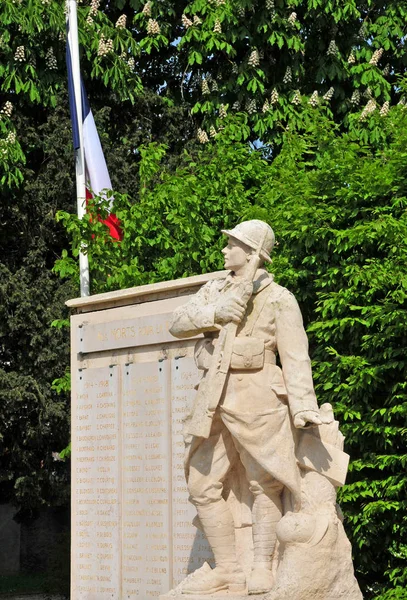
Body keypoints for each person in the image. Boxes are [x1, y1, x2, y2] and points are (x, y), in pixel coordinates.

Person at [169, 220, 321, 595]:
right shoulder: (215, 289)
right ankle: (228, 569)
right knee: (201, 483)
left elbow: (296, 357)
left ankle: (261, 566)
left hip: (258, 397)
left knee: (263, 482)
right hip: (215, 396)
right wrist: (216, 313)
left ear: (252, 254)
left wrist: (303, 406)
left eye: (232, 245)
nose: (224, 250)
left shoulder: (279, 298)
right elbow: (176, 323)